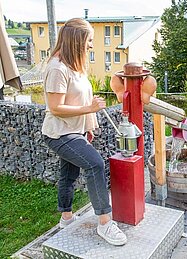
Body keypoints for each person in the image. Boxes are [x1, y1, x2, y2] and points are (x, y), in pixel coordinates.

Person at [41, 18, 127, 246]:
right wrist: (89, 109)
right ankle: (105, 223)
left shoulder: (74, 67)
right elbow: (56, 108)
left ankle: (66, 218)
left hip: (75, 131)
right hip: (59, 133)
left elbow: (81, 98)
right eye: (89, 40)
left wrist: (88, 125)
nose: (91, 45)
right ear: (77, 40)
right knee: (95, 164)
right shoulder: (57, 69)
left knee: (68, 174)